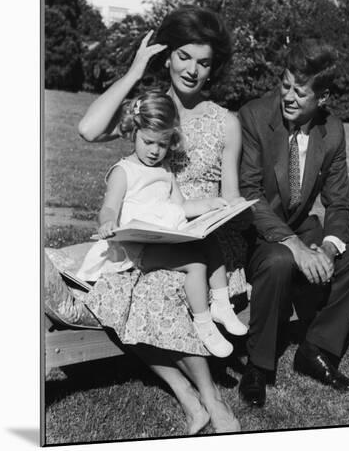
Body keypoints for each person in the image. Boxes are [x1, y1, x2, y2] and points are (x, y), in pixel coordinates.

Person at [48, 5, 247, 434]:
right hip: (147, 238)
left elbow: (230, 200)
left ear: (214, 69)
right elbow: (87, 128)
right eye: (183, 56)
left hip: (202, 243)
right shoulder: (150, 113)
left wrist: (211, 215)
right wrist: (137, 69)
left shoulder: (225, 123)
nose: (192, 70)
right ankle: (189, 393)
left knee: (151, 287)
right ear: (168, 55)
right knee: (120, 288)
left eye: (204, 62)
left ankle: (209, 399)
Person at [237, 38, 349, 408]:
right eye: (285, 85)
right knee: (281, 259)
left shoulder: (332, 131)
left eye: (300, 91)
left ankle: (315, 350)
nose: (288, 96)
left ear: (324, 97)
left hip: (301, 227)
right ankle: (258, 365)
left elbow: (339, 202)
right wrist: (294, 246)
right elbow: (249, 196)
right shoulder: (253, 116)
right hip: (255, 232)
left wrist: (329, 248)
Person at [77, 90, 247, 357]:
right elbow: (109, 206)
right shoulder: (124, 171)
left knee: (210, 240)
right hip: (136, 247)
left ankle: (222, 304)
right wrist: (108, 222)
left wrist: (209, 206)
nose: (155, 151)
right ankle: (204, 325)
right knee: (195, 263)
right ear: (134, 132)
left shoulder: (165, 169)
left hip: (162, 236)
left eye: (163, 144)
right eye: (149, 142)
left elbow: (181, 205)